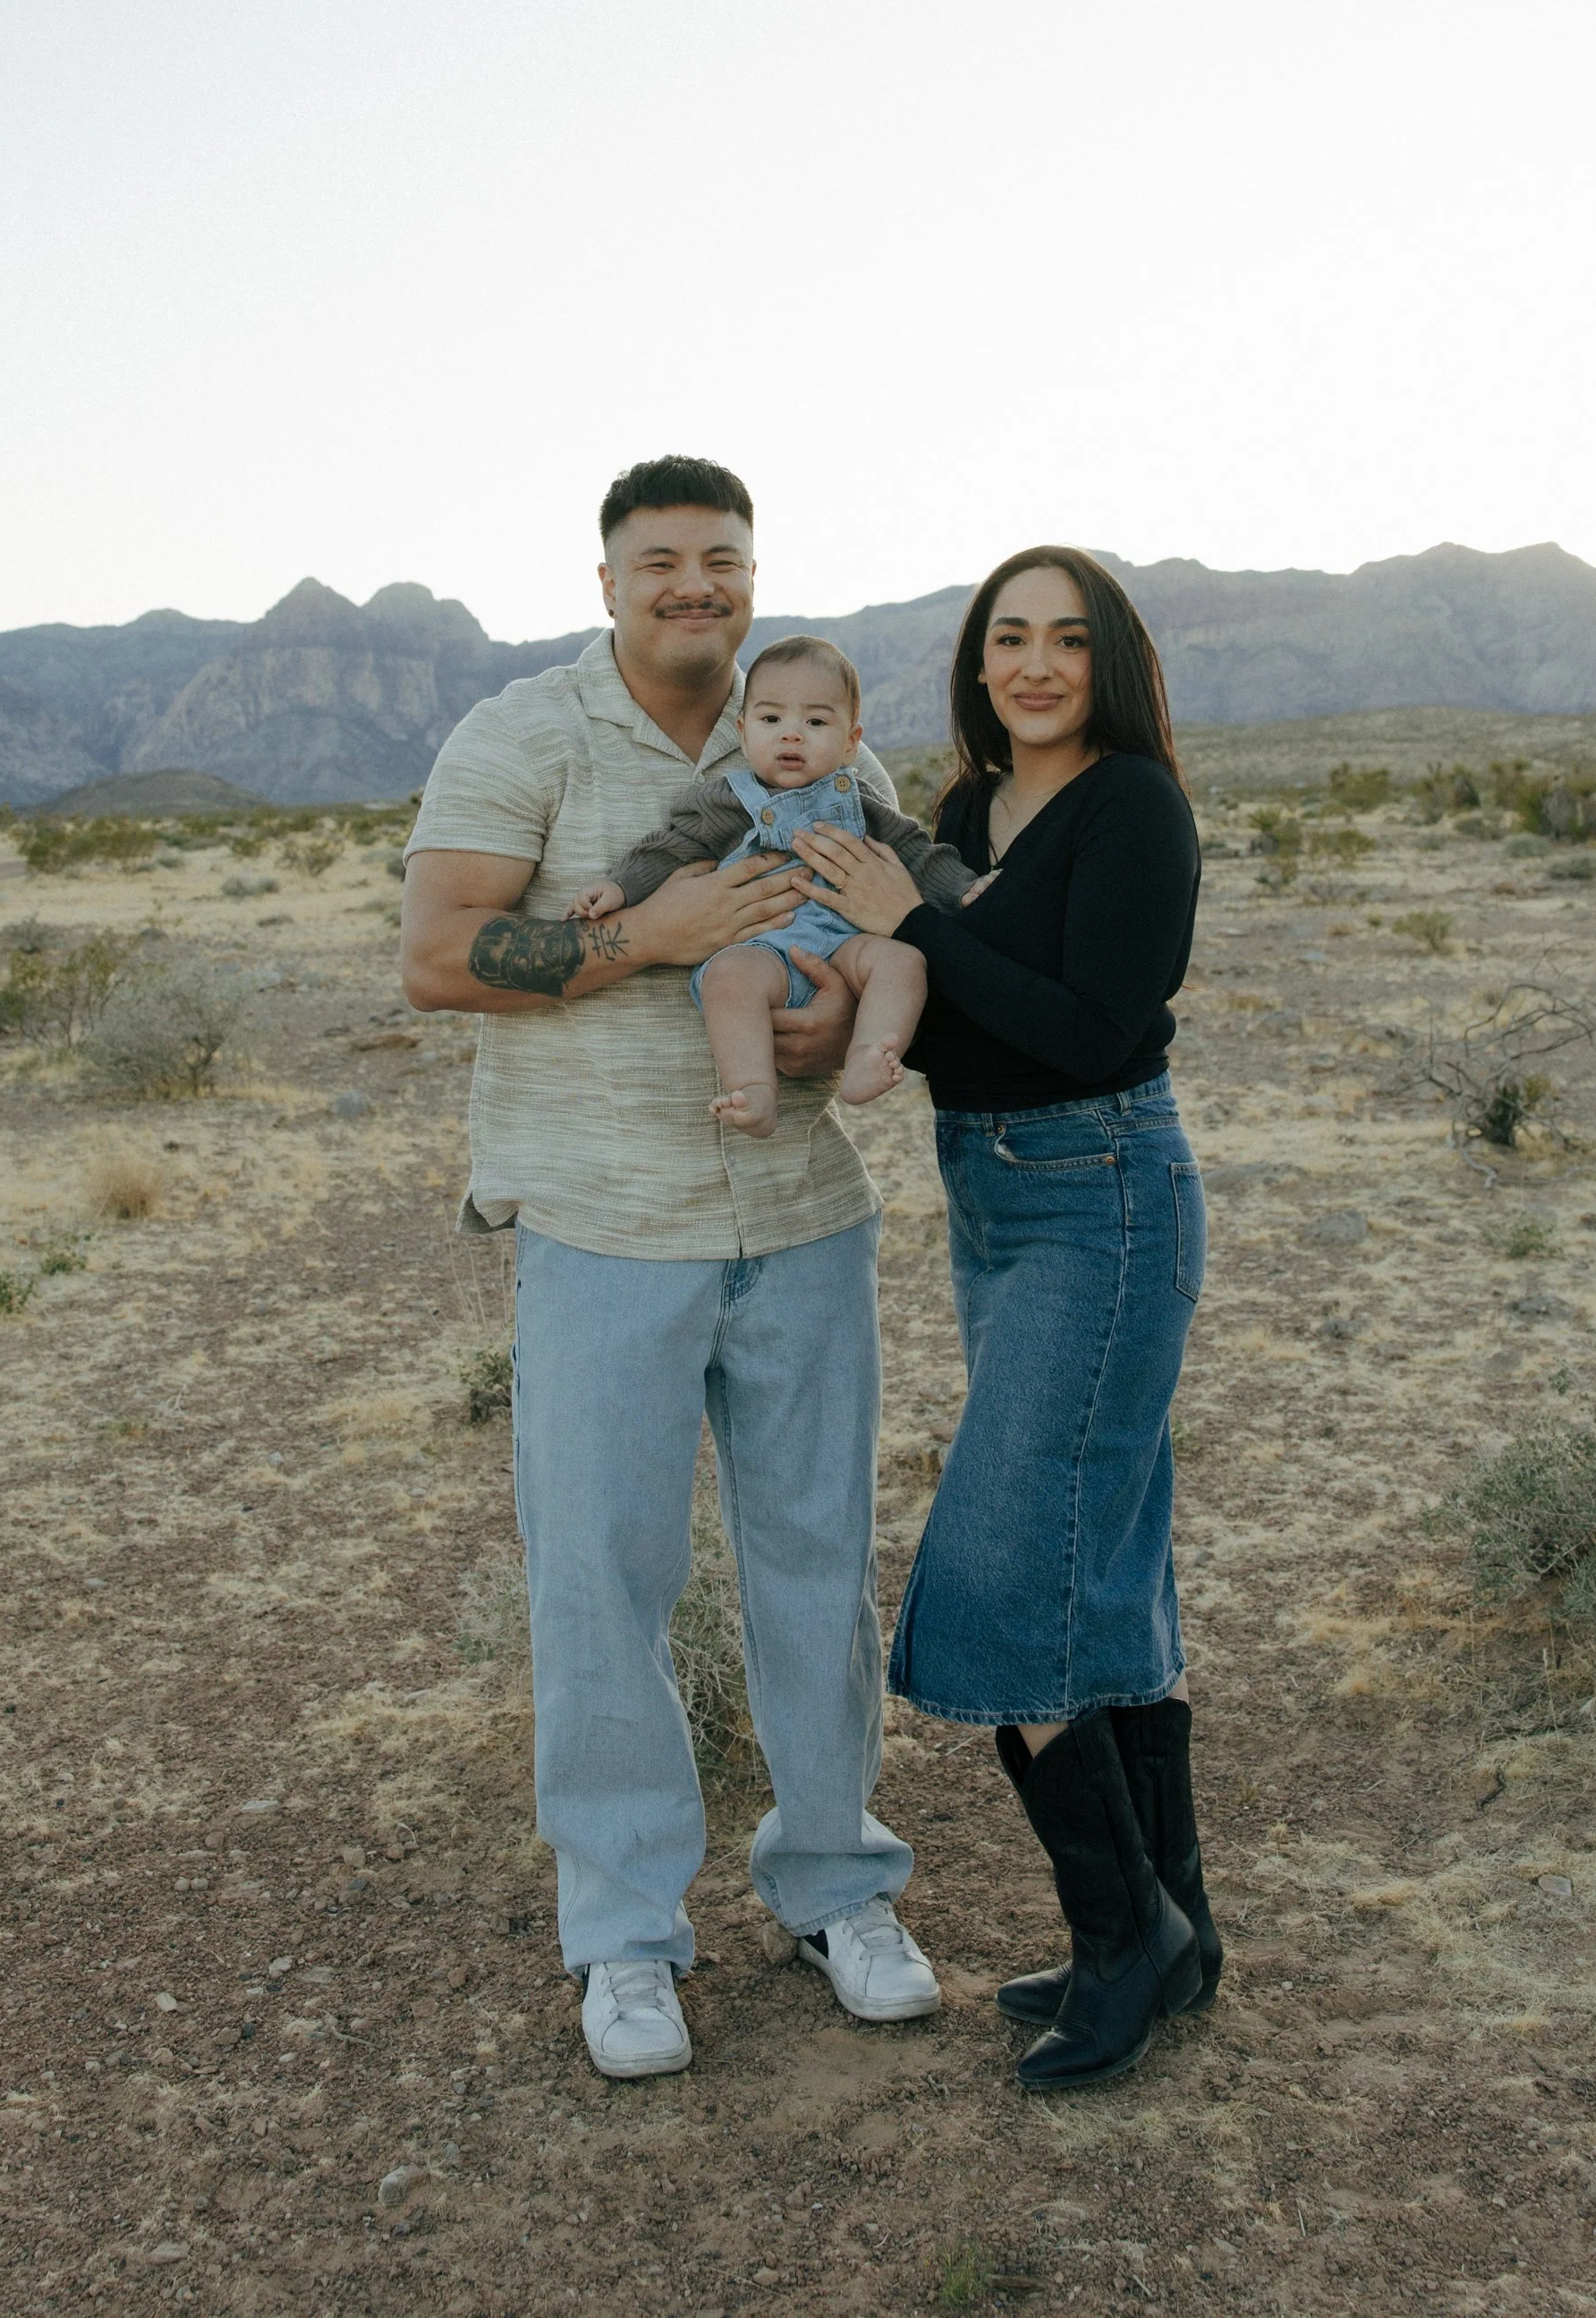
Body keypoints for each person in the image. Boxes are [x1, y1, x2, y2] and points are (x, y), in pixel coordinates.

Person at [399, 457, 940, 2083]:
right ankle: (627, 1933)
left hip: (802, 1220)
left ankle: (839, 1884)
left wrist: (835, 1020)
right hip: (602, 1227)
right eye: (662, 562)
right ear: (609, 581)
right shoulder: (524, 736)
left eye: (723, 559)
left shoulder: (822, 735)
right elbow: (436, 957)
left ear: (752, 578)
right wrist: (648, 934)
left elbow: (896, 927)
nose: (695, 585)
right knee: (601, 1583)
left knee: (817, 1566)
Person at [783, 545, 1220, 2094]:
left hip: (1104, 1190)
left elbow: (1092, 1027)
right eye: (1009, 637)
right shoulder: (965, 815)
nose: (1035, 664)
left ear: (1112, 660)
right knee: (1103, 1559)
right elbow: (946, 1002)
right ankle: (1178, 1930)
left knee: (999, 1570)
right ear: (978, 661)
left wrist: (919, 921)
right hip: (995, 1194)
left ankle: (1124, 1939)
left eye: (1067, 639)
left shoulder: (1134, 808)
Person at [569, 633, 982, 1137]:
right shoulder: (726, 801)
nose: (792, 735)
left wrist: (963, 888)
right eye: (771, 720)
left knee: (904, 961)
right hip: (763, 947)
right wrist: (619, 888)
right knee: (728, 978)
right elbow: (671, 848)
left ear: (850, 742)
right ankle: (753, 1089)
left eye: (815, 723)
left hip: (846, 944)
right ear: (744, 734)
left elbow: (915, 852)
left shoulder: (861, 802)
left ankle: (867, 1054)